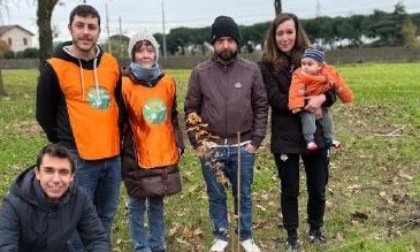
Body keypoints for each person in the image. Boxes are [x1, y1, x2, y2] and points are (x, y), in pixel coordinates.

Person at [36, 4, 122, 250]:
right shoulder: (54, 67)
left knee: (104, 216)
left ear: (98, 31)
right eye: (80, 26)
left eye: (91, 27)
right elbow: (44, 114)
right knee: (75, 220)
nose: (86, 32)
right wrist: (66, 144)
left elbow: (118, 104)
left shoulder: (111, 64)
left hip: (112, 157)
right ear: (70, 28)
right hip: (78, 158)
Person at [184, 15, 268, 252]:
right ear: (213, 43)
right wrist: (198, 143)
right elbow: (190, 109)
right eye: (221, 40)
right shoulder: (201, 72)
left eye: (230, 40)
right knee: (216, 194)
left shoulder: (250, 70)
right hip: (212, 147)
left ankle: (246, 236)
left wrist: (256, 141)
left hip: (243, 145)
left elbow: (261, 106)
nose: (226, 45)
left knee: (244, 194)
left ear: (237, 43)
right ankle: (220, 236)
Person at [258, 13, 337, 251]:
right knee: (289, 189)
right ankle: (292, 235)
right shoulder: (265, 65)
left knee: (318, 185)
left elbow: (331, 89)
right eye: (280, 33)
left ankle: (315, 228)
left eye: (289, 32)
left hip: (314, 133)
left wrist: (323, 97)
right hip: (286, 135)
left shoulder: (312, 58)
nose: (285, 38)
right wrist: (309, 104)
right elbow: (276, 99)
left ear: (297, 32)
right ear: (274, 36)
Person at [120, 31, 184, 252]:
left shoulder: (167, 82)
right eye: (140, 50)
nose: (145, 55)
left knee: (156, 203)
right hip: (136, 153)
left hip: (162, 152)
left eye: (149, 50)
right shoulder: (124, 84)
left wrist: (178, 142)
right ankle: (141, 246)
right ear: (133, 54)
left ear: (155, 53)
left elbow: (173, 116)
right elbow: (119, 120)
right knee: (136, 204)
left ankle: (158, 244)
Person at [0, 144, 110, 252]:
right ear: (38, 173)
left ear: (72, 176)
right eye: (49, 171)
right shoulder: (14, 204)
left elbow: (97, 239)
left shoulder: (80, 198)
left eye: (63, 172)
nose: (56, 179)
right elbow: (5, 246)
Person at [288, 46, 354, 151]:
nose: (305, 67)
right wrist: (296, 104)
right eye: (303, 64)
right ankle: (309, 140)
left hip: (321, 105)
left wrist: (346, 97)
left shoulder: (327, 74)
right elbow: (295, 91)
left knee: (328, 121)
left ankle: (329, 138)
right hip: (305, 105)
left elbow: (339, 85)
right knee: (308, 119)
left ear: (319, 66)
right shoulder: (300, 75)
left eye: (309, 64)